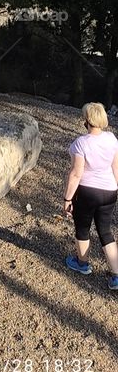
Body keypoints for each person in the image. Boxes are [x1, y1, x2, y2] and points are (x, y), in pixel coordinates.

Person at [63, 102, 118, 289]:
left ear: (86, 120)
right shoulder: (112, 139)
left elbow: (76, 174)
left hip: (87, 193)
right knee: (105, 231)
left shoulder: (80, 143)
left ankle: (82, 264)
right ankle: (116, 276)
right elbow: (116, 167)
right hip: (109, 192)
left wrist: (68, 198)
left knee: (83, 228)